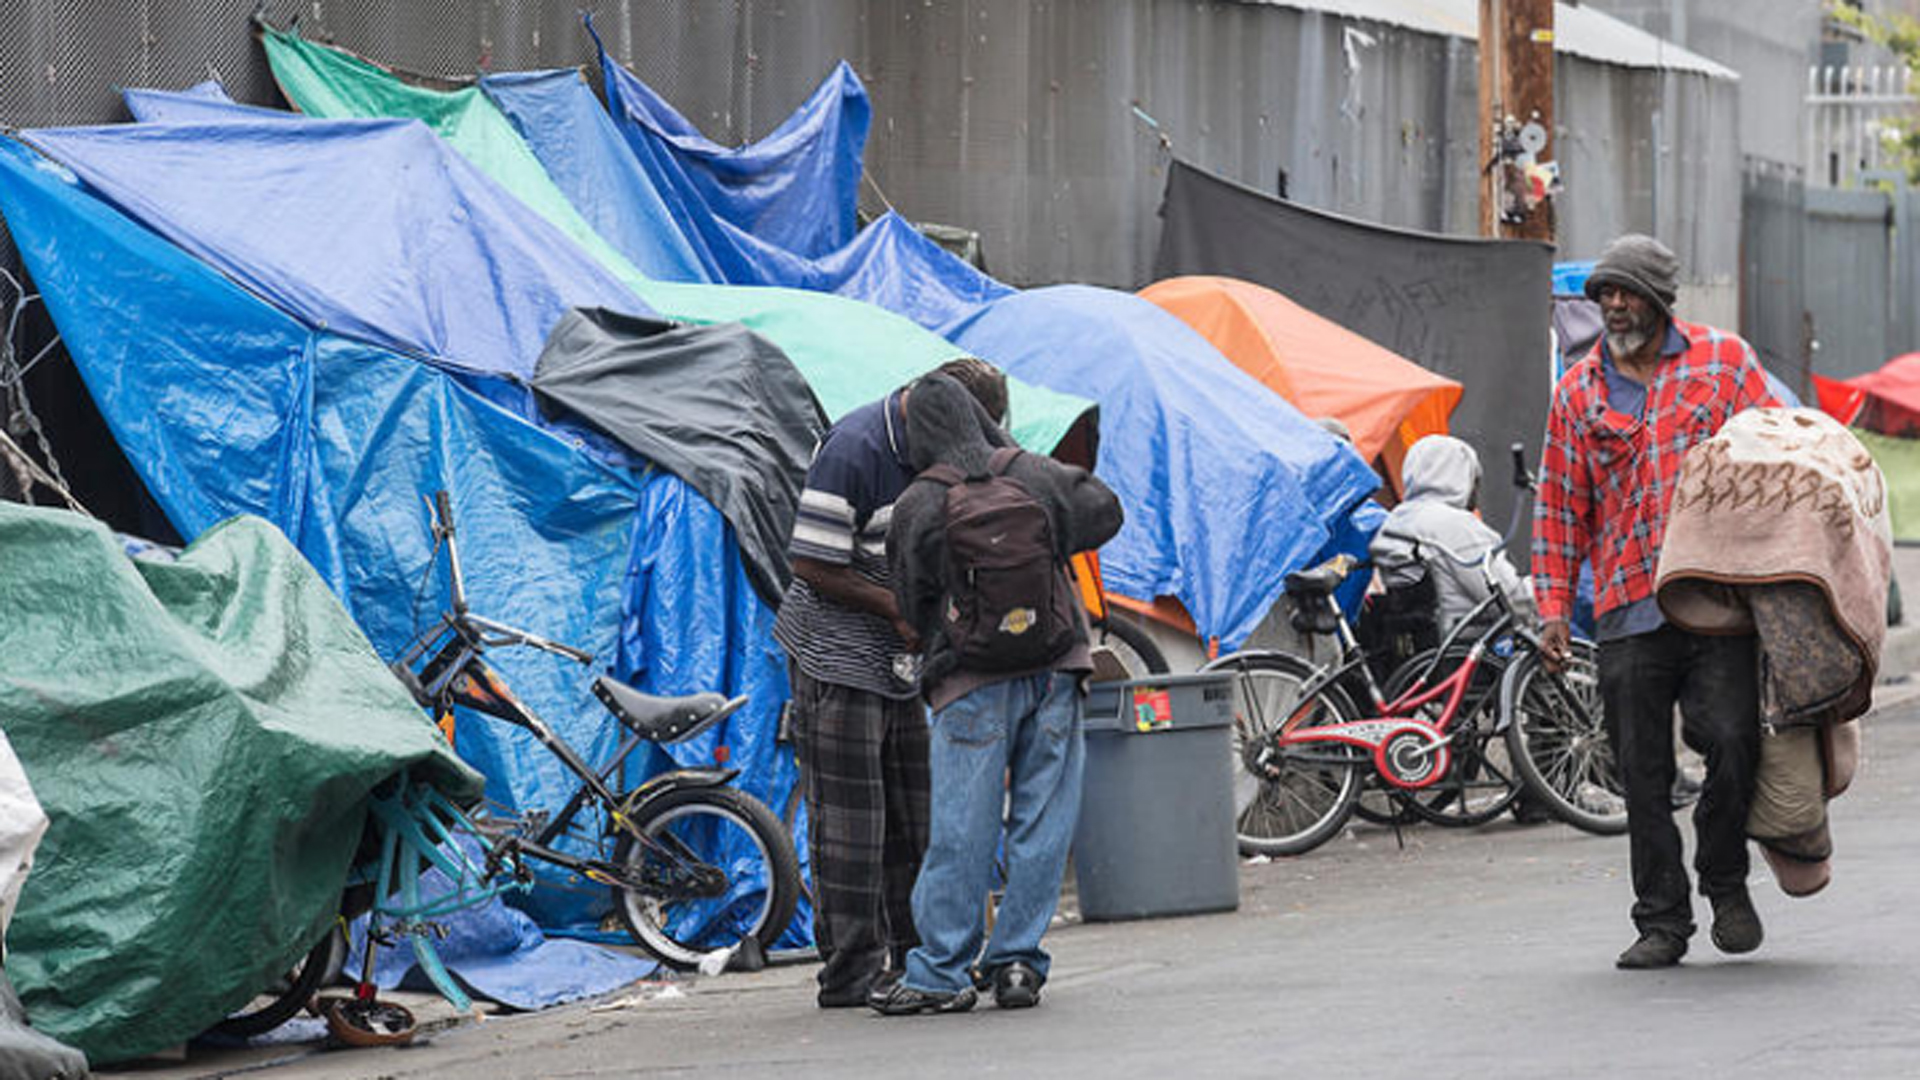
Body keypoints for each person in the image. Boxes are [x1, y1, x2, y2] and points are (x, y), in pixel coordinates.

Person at [1532, 233, 1778, 970]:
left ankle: (1725, 880)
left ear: (1660, 301)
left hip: (1719, 597)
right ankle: (1662, 920)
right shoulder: (1580, 390)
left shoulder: (1724, 364)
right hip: (1626, 605)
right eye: (1605, 293)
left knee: (1735, 740)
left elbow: (1780, 451)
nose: (1613, 305)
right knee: (1640, 769)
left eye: (1627, 292)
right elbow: (1557, 506)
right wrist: (1551, 608)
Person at [870, 372, 1123, 1015]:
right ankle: (1016, 964)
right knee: (1041, 820)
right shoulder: (1033, 473)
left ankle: (941, 973)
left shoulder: (920, 504)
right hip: (1056, 668)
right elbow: (1107, 510)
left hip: (969, 680)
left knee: (963, 826)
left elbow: (908, 598)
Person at [772, 357, 1011, 1008]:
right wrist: (898, 609)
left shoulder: (944, 448)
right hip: (837, 652)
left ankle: (921, 960)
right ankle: (850, 973)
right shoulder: (855, 447)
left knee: (917, 815)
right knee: (854, 824)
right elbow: (813, 563)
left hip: (902, 658)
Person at [1370, 434, 1530, 635]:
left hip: (1413, 648)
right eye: (1474, 478)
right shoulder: (1454, 525)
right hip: (1467, 642)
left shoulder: (1395, 520)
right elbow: (1511, 600)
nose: (1476, 490)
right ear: (1457, 478)